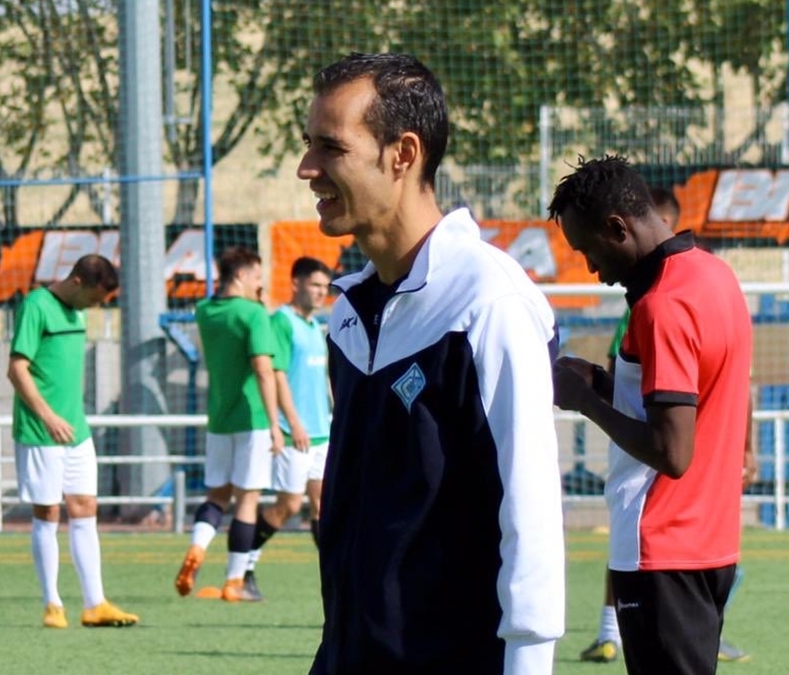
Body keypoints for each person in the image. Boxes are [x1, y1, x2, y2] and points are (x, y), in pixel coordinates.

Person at [297, 52, 565, 674]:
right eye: (308, 144)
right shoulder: (346, 317)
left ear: (403, 153)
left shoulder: (488, 301)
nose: (307, 168)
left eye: (330, 147)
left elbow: (529, 509)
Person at [549, 156, 752, 675]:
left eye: (588, 250)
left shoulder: (661, 305)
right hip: (710, 543)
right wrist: (605, 384)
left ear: (617, 227)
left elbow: (671, 451)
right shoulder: (714, 274)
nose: (593, 269)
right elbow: (688, 402)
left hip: (662, 545)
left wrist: (585, 401)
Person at [7, 254, 138, 629]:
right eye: (97, 298)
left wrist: (68, 419)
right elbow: (16, 369)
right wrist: (47, 416)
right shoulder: (37, 305)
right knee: (47, 512)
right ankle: (52, 604)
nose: (98, 306)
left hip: (76, 430)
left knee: (85, 509)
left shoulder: (79, 311)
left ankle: (94, 603)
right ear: (78, 282)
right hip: (41, 431)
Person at [174, 247, 284, 603]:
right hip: (251, 418)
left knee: (216, 496)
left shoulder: (205, 311)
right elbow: (264, 370)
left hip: (218, 419)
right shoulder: (253, 314)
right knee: (247, 499)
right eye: (256, 277)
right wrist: (274, 423)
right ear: (240, 277)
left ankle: (197, 548)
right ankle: (235, 581)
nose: (259, 284)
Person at [242, 257, 333, 601]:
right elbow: (277, 373)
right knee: (289, 506)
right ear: (296, 283)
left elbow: (320, 379)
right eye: (315, 285)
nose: (321, 293)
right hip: (295, 432)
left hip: (321, 432)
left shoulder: (314, 327)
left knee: (323, 505)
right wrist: (293, 422)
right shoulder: (282, 322)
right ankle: (243, 565)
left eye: (325, 287)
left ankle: (333, 575)